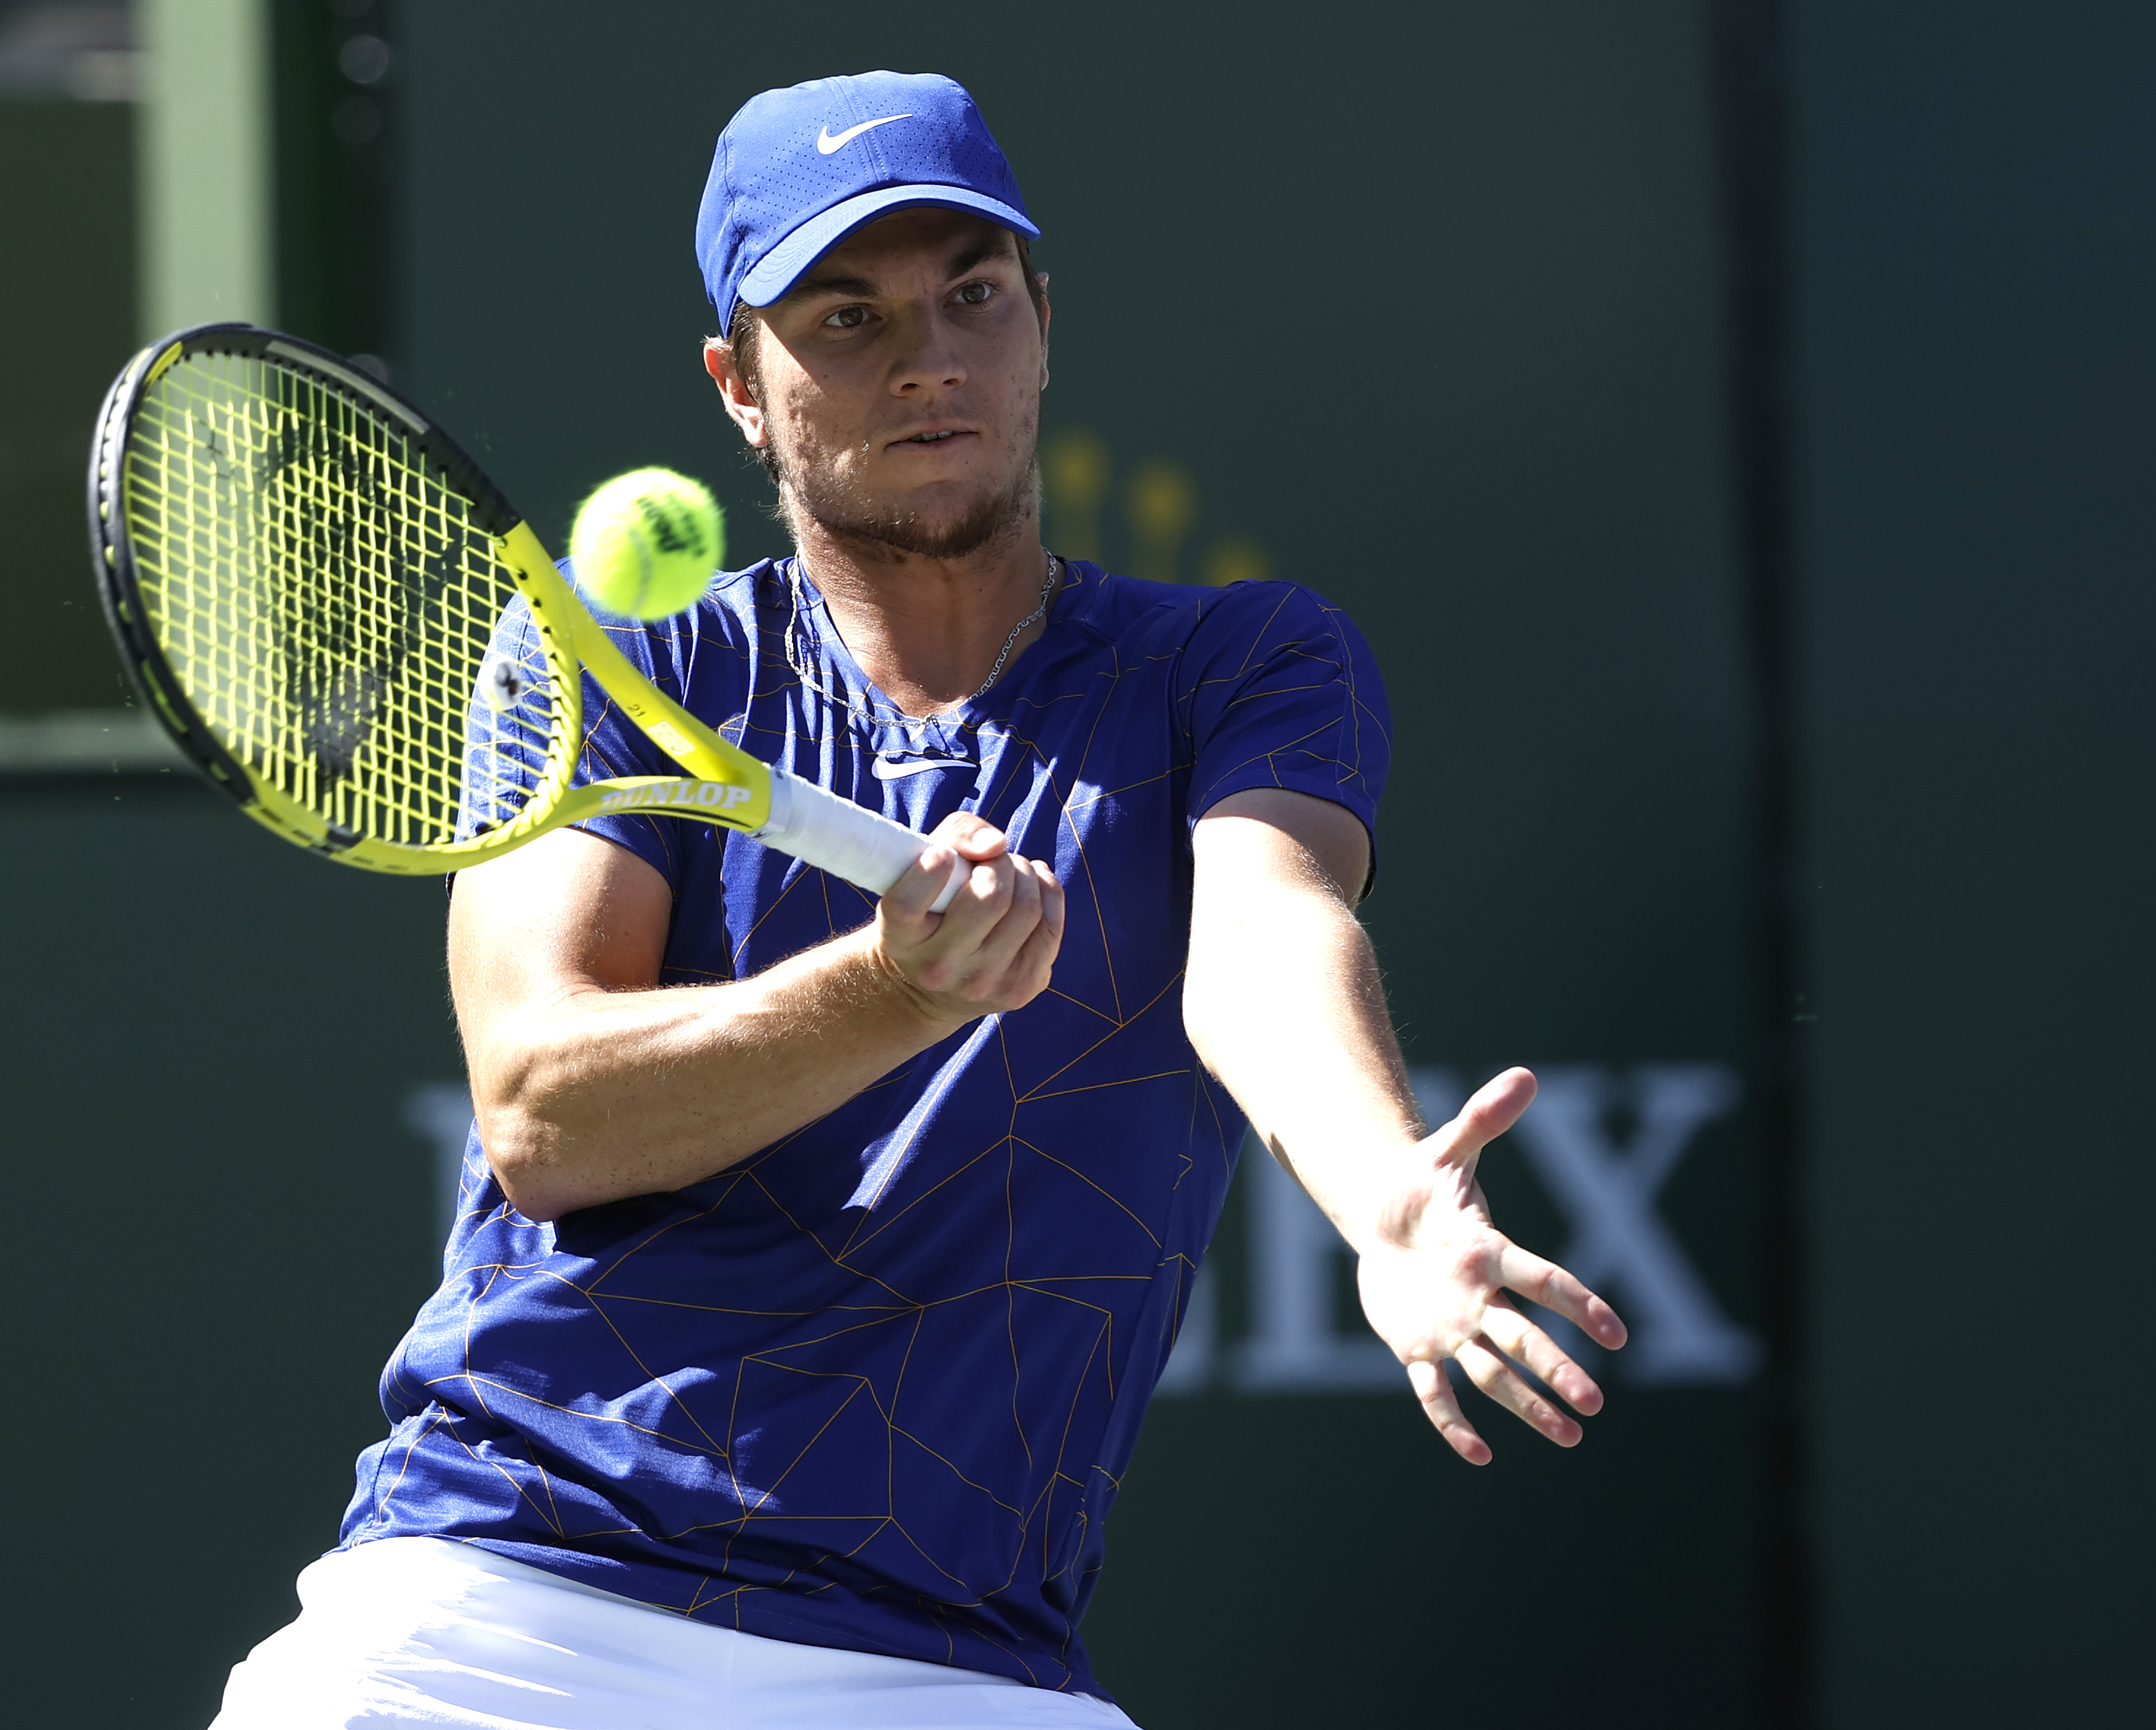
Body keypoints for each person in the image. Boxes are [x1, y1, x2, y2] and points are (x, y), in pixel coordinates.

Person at [212, 70, 1627, 1730]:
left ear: (1042, 319)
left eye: (973, 294)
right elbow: (542, 1106)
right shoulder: (610, 671)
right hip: (506, 1608)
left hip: (953, 1665)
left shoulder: (1238, 667)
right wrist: (893, 992)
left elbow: (1263, 936)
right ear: (742, 387)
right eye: (849, 315)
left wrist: (1387, 1192)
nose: (929, 358)